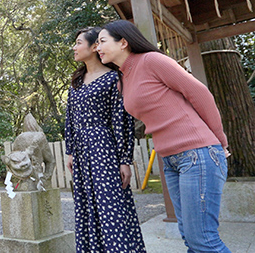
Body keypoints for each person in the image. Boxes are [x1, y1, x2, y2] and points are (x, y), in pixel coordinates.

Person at [97, 20, 230, 253]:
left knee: (203, 241)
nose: (97, 47)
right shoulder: (122, 80)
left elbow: (200, 94)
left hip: (197, 153)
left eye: (102, 41)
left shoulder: (151, 60)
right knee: (190, 238)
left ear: (124, 42)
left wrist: (221, 141)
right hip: (170, 160)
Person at [64, 26, 145, 252]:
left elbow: (122, 120)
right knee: (86, 206)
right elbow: (69, 118)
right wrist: (70, 151)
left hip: (103, 148)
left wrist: (124, 159)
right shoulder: (76, 82)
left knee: (110, 206)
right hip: (80, 152)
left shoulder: (113, 78)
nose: (75, 47)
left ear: (94, 47)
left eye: (79, 42)